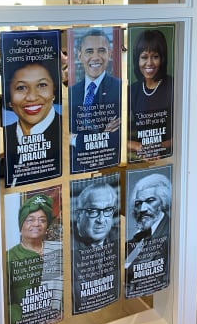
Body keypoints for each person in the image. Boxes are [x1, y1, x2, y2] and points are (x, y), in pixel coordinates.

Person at [6, 193, 62, 324]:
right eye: (30, 220)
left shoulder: (59, 250)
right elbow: (4, 305)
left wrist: (62, 316)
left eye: (42, 220)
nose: (36, 224)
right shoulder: (9, 257)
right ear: (21, 226)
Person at [68, 28, 121, 172]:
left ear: (109, 54)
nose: (96, 57)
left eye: (101, 50)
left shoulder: (120, 89)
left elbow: (114, 140)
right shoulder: (71, 92)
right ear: (80, 56)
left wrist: (73, 139)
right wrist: (102, 135)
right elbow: (64, 133)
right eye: (89, 51)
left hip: (105, 166)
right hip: (74, 166)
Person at [3, 61, 62, 185]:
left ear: (54, 91)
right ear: (9, 98)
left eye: (42, 85)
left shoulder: (68, 133)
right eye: (21, 87)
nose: (32, 97)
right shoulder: (4, 135)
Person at [71, 181, 120, 313]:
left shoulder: (120, 236)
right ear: (79, 215)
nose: (101, 220)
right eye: (93, 211)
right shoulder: (65, 247)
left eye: (108, 210)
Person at [128, 28, 173, 161]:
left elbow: (186, 132)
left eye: (155, 57)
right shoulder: (133, 90)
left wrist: (159, 147)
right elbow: (116, 135)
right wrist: (138, 147)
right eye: (144, 57)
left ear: (162, 59)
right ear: (137, 60)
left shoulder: (173, 86)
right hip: (142, 158)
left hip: (171, 157)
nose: (149, 63)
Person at [125, 172, 171, 296]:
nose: (143, 209)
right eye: (138, 203)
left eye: (150, 201)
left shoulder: (170, 236)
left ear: (163, 202)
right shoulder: (135, 241)